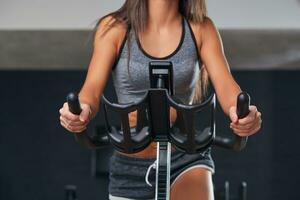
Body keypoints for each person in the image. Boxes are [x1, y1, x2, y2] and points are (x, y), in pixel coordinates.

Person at [59, 0, 262, 199]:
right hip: (130, 163)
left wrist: (242, 113)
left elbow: (227, 88)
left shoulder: (200, 28)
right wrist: (80, 110)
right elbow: (91, 92)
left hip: (186, 155)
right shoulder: (115, 28)